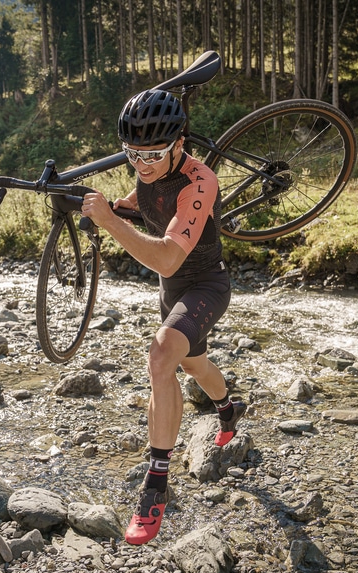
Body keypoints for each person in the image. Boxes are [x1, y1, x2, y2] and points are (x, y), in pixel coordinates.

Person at [81, 89, 247, 546]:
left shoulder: (200, 182)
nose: (143, 163)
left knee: (160, 357)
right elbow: (141, 202)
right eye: (132, 153)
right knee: (193, 365)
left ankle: (155, 484)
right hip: (172, 293)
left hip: (206, 285)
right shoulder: (147, 171)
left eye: (154, 153)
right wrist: (110, 209)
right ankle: (229, 407)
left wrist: (111, 223)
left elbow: (170, 258)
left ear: (179, 143)